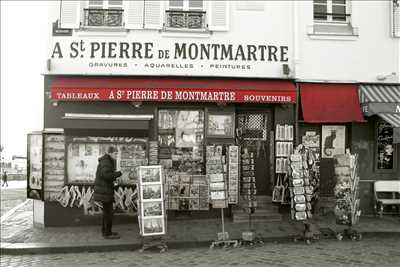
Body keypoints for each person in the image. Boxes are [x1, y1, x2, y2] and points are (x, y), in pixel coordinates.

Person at [93, 146, 122, 239]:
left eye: (117, 154)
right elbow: (106, 175)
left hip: (105, 190)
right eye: (115, 153)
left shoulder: (107, 160)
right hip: (104, 191)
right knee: (108, 212)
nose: (116, 156)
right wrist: (118, 174)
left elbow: (106, 176)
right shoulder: (106, 161)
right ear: (110, 153)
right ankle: (107, 233)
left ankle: (106, 231)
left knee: (107, 212)